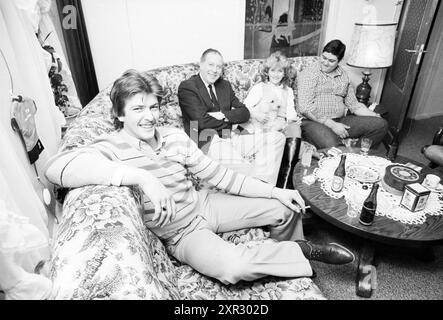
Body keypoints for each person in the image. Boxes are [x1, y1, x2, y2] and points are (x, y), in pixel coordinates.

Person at [44, 70, 354, 285]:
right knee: (234, 267)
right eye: (138, 108)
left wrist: (274, 192)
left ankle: (288, 253)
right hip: (181, 234)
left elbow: (219, 175)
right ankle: (302, 252)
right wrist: (139, 176)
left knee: (285, 207)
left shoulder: (174, 137)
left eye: (152, 107)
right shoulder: (113, 146)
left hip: (205, 204)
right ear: (121, 114)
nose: (148, 116)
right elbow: (56, 169)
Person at [178, 48, 285, 185]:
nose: (215, 70)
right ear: (201, 64)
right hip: (208, 142)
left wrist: (223, 114)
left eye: (219, 66)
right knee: (246, 169)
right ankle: (262, 189)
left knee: (277, 138)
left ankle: (265, 186)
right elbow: (201, 122)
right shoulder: (188, 87)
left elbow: (245, 113)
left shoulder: (224, 86)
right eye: (211, 65)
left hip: (231, 136)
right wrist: (230, 121)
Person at [297, 39, 388, 150]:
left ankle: (356, 157)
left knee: (381, 124)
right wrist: (332, 125)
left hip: (340, 120)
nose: (325, 63)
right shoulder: (309, 73)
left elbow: (354, 105)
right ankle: (342, 155)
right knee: (336, 149)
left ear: (339, 61)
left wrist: (374, 115)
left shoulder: (343, 75)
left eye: (331, 61)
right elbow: (305, 107)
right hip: (313, 122)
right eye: (324, 58)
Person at [241, 51, 302, 189]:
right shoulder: (259, 88)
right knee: (272, 136)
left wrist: (294, 121)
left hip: (280, 124)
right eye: (273, 70)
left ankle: (285, 182)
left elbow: (291, 113)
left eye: (280, 71)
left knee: (296, 129)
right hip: (261, 124)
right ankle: (264, 183)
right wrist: (257, 115)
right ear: (267, 72)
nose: (276, 74)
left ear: (285, 73)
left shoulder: (289, 90)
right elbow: (245, 107)